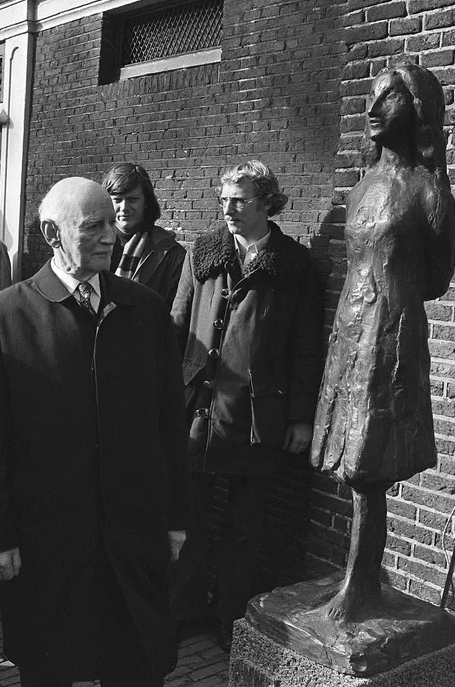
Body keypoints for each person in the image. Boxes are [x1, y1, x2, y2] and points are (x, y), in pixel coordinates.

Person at [0, 177, 190, 687]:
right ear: (52, 233)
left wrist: (175, 517)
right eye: (93, 226)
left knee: (136, 662)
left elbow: (170, 424)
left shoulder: (145, 310)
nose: (112, 234)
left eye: (113, 221)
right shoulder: (0, 318)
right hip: (47, 543)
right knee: (49, 666)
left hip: (132, 535)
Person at [309, 63, 455, 622]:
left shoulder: (426, 188)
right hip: (352, 329)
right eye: (371, 101)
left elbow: (439, 278)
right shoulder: (364, 186)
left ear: (415, 110)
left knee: (370, 467)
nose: (372, 112)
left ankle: (362, 585)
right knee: (352, 466)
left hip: (390, 335)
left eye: (387, 100)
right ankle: (357, 579)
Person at [169, 160, 324, 650]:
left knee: (244, 526)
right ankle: (184, 607)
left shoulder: (294, 266)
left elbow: (305, 349)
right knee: (188, 518)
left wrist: (300, 417)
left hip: (257, 418)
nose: (229, 209)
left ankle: (229, 616)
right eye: (224, 198)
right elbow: (176, 327)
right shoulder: (203, 253)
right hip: (197, 407)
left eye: (240, 199)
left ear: (266, 203)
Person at [102, 163, 186, 310]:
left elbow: (175, 314)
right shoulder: (94, 243)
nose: (124, 208)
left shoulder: (170, 253)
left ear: (146, 202)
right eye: (117, 199)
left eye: (133, 199)